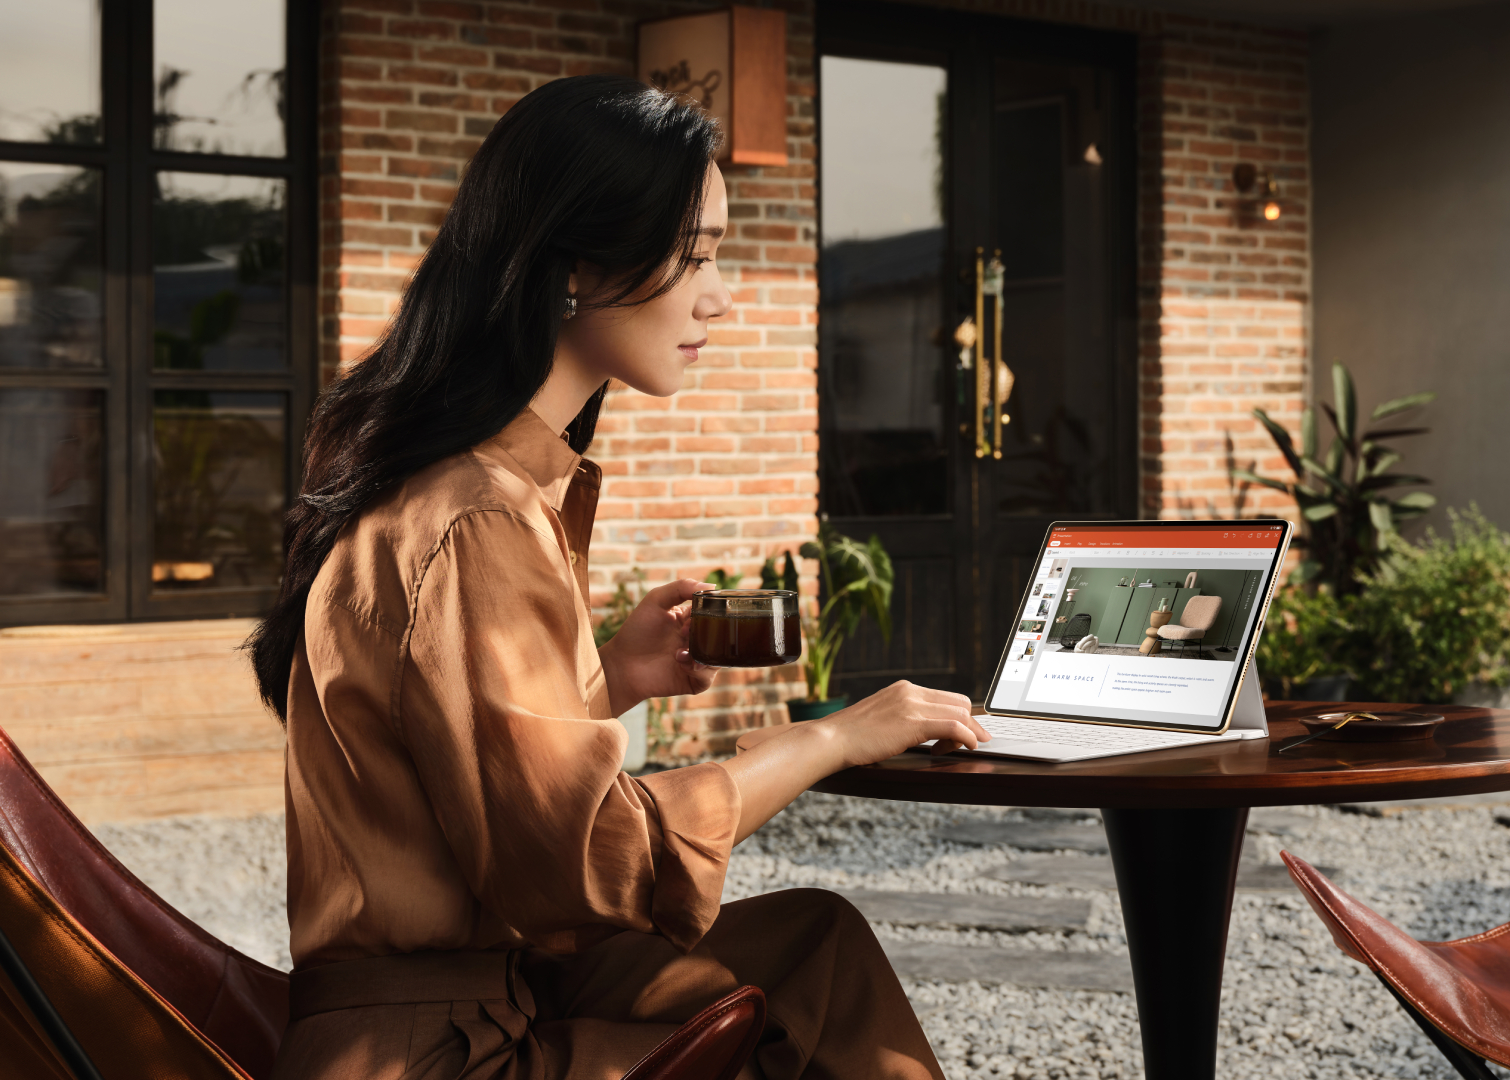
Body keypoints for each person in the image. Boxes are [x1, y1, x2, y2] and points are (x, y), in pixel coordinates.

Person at [247, 76, 990, 1080]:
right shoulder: (479, 514)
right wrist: (832, 738)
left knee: (812, 944)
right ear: (577, 266)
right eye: (696, 256)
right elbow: (583, 862)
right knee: (803, 993)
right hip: (442, 1054)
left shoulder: (452, 482)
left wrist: (612, 677)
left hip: (462, 1002)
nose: (719, 295)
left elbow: (459, 767)